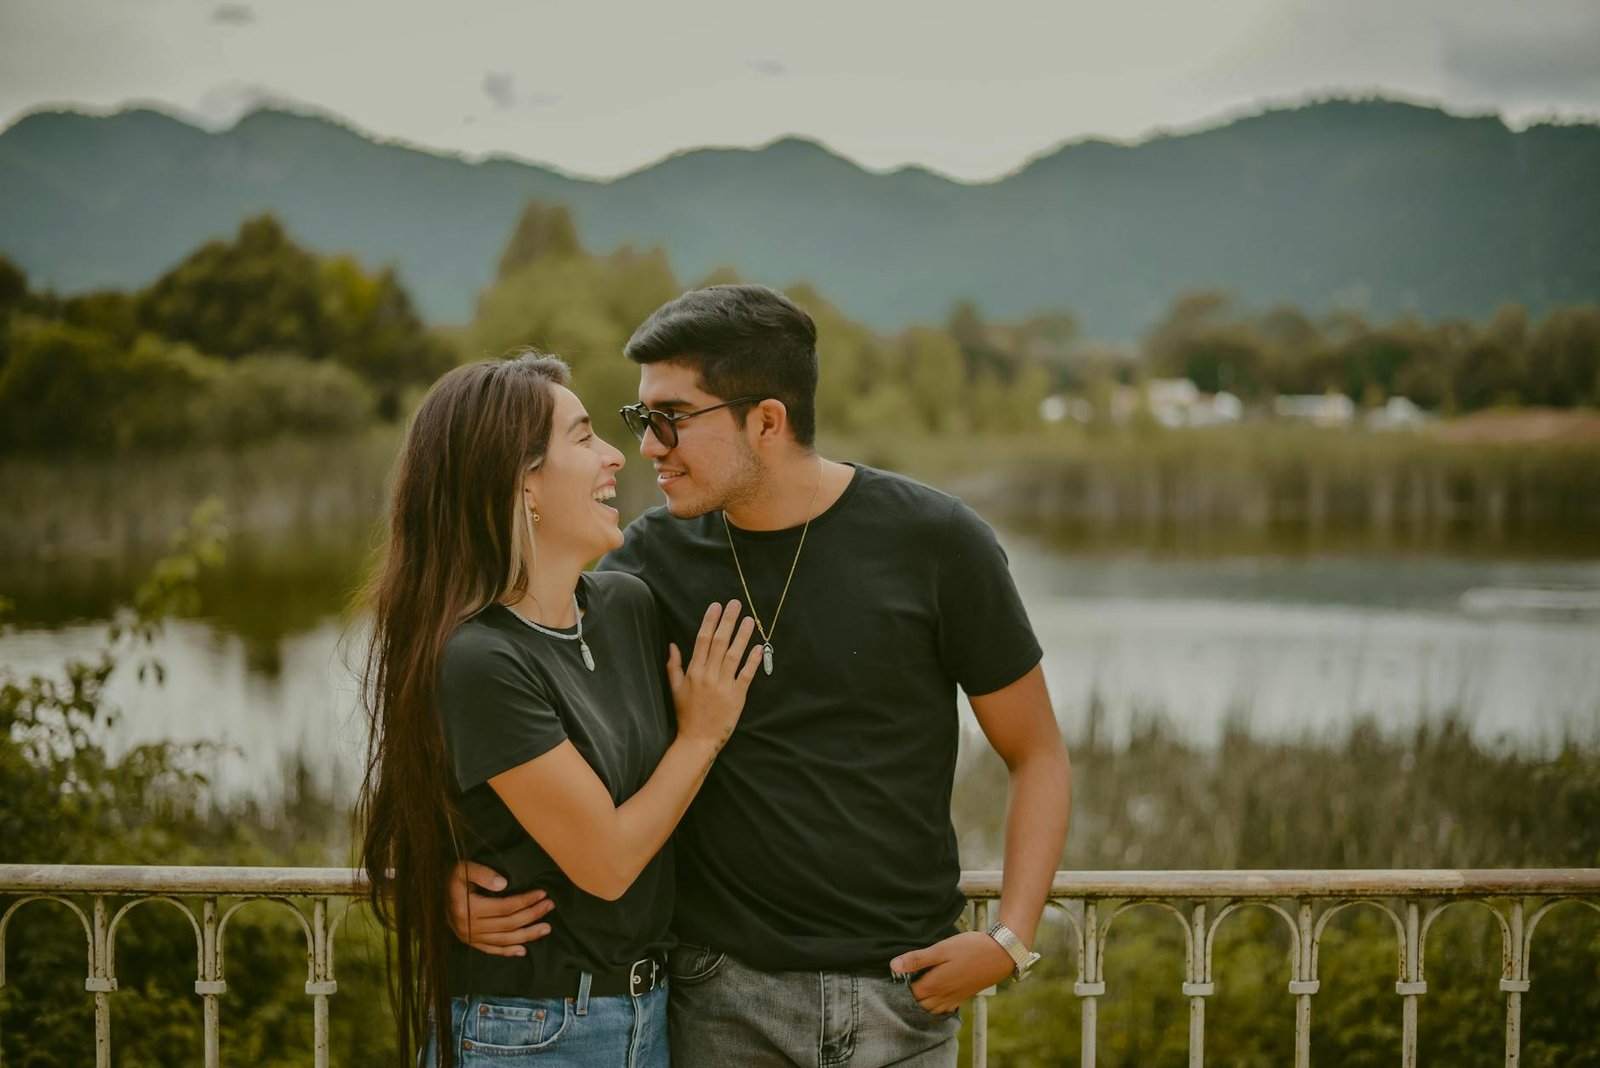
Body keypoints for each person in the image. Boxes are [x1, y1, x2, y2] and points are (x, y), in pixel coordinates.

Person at [450, 287, 1073, 1067]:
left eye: (671, 417)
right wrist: (438, 873)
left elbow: (1037, 753)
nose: (648, 446)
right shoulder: (646, 561)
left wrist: (1012, 937)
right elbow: (488, 691)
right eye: (642, 420)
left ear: (767, 422)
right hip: (718, 1003)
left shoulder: (939, 542)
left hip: (905, 997)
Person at [357, 352, 763, 1068]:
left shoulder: (625, 608)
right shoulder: (479, 660)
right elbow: (606, 864)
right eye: (582, 438)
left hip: (654, 1017)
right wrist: (701, 736)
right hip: (526, 1033)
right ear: (522, 483)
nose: (615, 456)